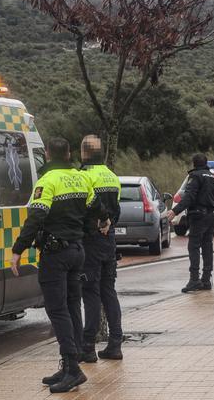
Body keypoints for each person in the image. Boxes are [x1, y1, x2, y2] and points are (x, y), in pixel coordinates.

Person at [10, 137, 93, 393]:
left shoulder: (47, 181)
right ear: (68, 154)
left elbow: (36, 216)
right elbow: (97, 209)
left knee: (57, 310)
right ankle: (69, 364)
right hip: (77, 250)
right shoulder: (82, 178)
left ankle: (73, 369)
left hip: (56, 254)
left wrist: (17, 250)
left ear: (47, 155)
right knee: (71, 306)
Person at [78, 135, 124, 363]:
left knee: (91, 293)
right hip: (109, 239)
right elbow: (116, 209)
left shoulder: (85, 176)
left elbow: (86, 208)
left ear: (84, 153)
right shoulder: (111, 176)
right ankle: (115, 343)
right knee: (109, 291)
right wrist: (109, 226)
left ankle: (88, 347)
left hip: (91, 240)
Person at [166, 153, 214, 293]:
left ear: (194, 163)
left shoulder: (195, 177)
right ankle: (206, 279)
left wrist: (175, 211)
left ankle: (194, 280)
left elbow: (189, 197)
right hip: (210, 216)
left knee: (193, 247)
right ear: (206, 164)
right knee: (207, 247)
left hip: (198, 216)